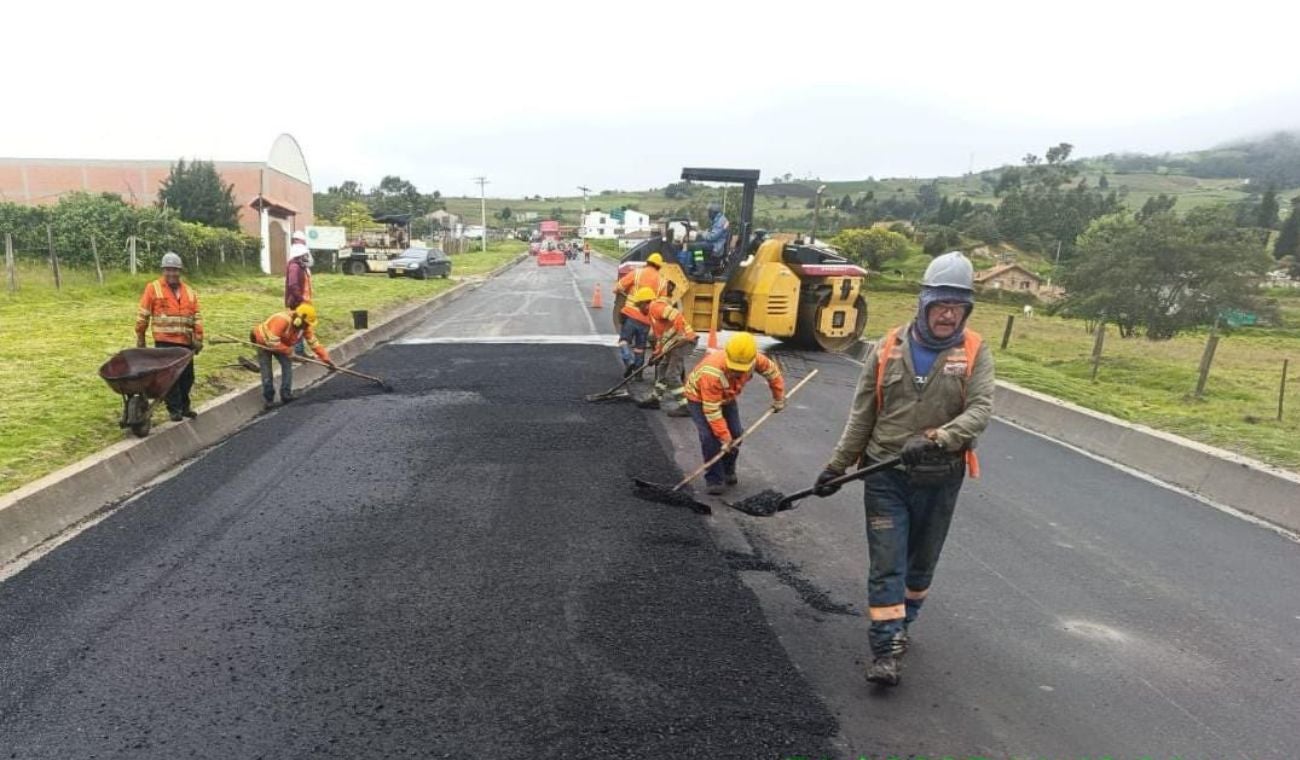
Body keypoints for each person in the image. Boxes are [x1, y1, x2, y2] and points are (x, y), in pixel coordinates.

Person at [812, 251, 994, 687]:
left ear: (966, 309)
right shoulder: (886, 347)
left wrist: (937, 438)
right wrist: (837, 466)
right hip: (884, 473)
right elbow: (863, 414)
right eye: (940, 305)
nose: (948, 315)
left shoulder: (974, 351)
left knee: (920, 564)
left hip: (940, 476)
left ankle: (905, 620)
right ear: (924, 303)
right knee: (887, 562)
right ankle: (886, 645)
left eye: (957, 307)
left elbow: (981, 409)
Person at [683, 332, 785, 495]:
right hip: (700, 399)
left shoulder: (755, 359)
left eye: (741, 370)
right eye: (734, 369)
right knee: (710, 438)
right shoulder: (711, 373)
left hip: (727, 397)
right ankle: (714, 479)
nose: (737, 372)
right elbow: (712, 411)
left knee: (737, 434)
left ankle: (728, 469)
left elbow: (773, 374)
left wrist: (779, 398)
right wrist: (724, 437)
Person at [135, 252, 203, 422]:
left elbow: (196, 316)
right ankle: (174, 410)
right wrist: (140, 335)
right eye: (168, 270)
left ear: (180, 271)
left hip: (185, 342)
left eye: (175, 270)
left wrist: (198, 338)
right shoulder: (153, 288)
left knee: (188, 377)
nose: (171, 273)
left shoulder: (189, 292)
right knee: (171, 378)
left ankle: (185, 406)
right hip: (164, 341)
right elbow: (143, 314)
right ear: (163, 270)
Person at [251, 303, 334, 408]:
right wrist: (289, 351)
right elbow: (272, 342)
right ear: (299, 319)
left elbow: (314, 343)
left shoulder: (304, 327)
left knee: (287, 365)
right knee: (266, 371)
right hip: (264, 343)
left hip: (281, 344)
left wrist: (326, 359)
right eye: (306, 323)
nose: (307, 326)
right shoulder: (281, 320)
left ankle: (286, 394)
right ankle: (269, 400)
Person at [636, 286, 699, 416]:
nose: (638, 309)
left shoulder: (655, 307)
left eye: (638, 305)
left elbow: (676, 315)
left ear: (644, 303)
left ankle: (685, 406)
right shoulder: (652, 316)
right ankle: (655, 399)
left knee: (671, 375)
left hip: (684, 342)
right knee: (662, 369)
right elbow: (662, 338)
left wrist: (681, 334)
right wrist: (656, 354)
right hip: (673, 344)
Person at [285, 231, 314, 356]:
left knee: (302, 325)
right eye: (304, 254)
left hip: (304, 301)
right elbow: (293, 285)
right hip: (298, 302)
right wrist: (300, 299)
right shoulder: (294, 267)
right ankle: (297, 352)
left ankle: (300, 351)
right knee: (298, 325)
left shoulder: (301, 266)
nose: (306, 256)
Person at [618, 287, 655, 379]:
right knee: (640, 348)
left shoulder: (630, 307)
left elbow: (619, 287)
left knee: (624, 341)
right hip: (646, 324)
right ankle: (638, 374)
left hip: (630, 318)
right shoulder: (652, 307)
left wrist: (622, 321)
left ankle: (629, 360)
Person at [692, 201, 729, 278]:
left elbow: (712, 237)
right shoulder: (717, 220)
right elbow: (710, 232)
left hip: (716, 246)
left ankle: (700, 269)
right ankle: (694, 267)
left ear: (713, 212)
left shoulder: (721, 221)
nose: (708, 214)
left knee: (696, 247)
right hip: (714, 244)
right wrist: (700, 232)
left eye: (709, 212)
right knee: (697, 241)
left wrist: (702, 233)